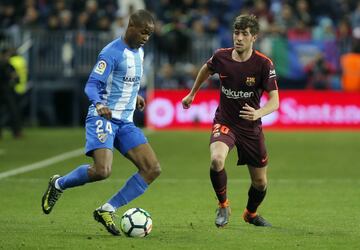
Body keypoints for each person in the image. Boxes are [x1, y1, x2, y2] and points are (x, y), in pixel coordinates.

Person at [41, 10, 161, 236]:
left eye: (150, 34)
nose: (146, 37)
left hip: (125, 121)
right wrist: (98, 104)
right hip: (103, 117)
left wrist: (134, 95)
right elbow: (92, 85)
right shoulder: (111, 52)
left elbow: (123, 81)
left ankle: (107, 209)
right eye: (144, 32)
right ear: (131, 27)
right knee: (102, 170)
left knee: (152, 169)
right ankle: (58, 184)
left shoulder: (140, 53)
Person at [182, 14, 279, 228]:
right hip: (225, 121)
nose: (239, 38)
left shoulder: (263, 64)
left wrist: (258, 113)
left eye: (245, 34)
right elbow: (206, 69)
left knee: (260, 183)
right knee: (217, 159)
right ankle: (223, 205)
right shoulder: (221, 57)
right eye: (236, 33)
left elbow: (275, 102)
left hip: (251, 128)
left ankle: (250, 214)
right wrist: (192, 94)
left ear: (254, 37)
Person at [0, 48, 22, 139]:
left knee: (14, 111)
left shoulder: (9, 65)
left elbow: (16, 78)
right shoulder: (4, 65)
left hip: (8, 91)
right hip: (4, 91)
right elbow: (13, 77)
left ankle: (16, 132)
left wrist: (13, 78)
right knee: (12, 111)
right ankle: (16, 132)